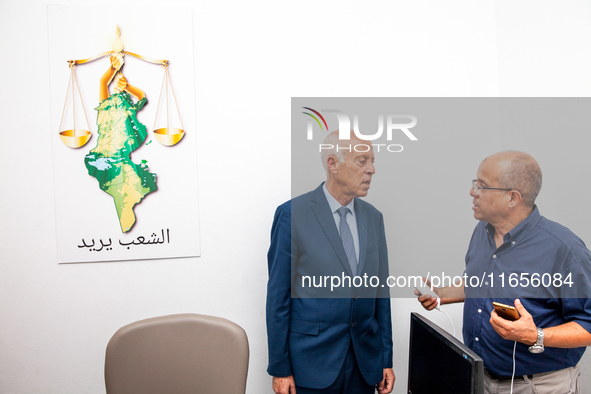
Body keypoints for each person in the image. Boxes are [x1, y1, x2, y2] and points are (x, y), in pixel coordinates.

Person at [417, 151, 591, 394]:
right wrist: (440, 295)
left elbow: (588, 324)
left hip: (537, 386)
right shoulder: (483, 231)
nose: (472, 192)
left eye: (482, 186)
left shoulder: (566, 251)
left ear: (513, 198)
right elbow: (480, 282)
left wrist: (536, 335)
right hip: (481, 379)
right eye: (474, 183)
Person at [266, 130, 395, 394]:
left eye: (372, 161)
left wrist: (385, 358)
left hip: (363, 363)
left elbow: (381, 294)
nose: (371, 170)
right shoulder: (292, 215)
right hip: (310, 364)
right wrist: (280, 368)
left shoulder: (374, 218)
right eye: (362, 161)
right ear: (332, 164)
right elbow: (278, 297)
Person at [84, 52, 157, 233]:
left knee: (125, 191)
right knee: (122, 190)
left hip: (120, 159)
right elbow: (103, 82)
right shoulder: (105, 109)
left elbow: (142, 97)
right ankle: (126, 218)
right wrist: (113, 67)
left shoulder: (127, 112)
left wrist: (128, 86)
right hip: (106, 158)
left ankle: (126, 218)